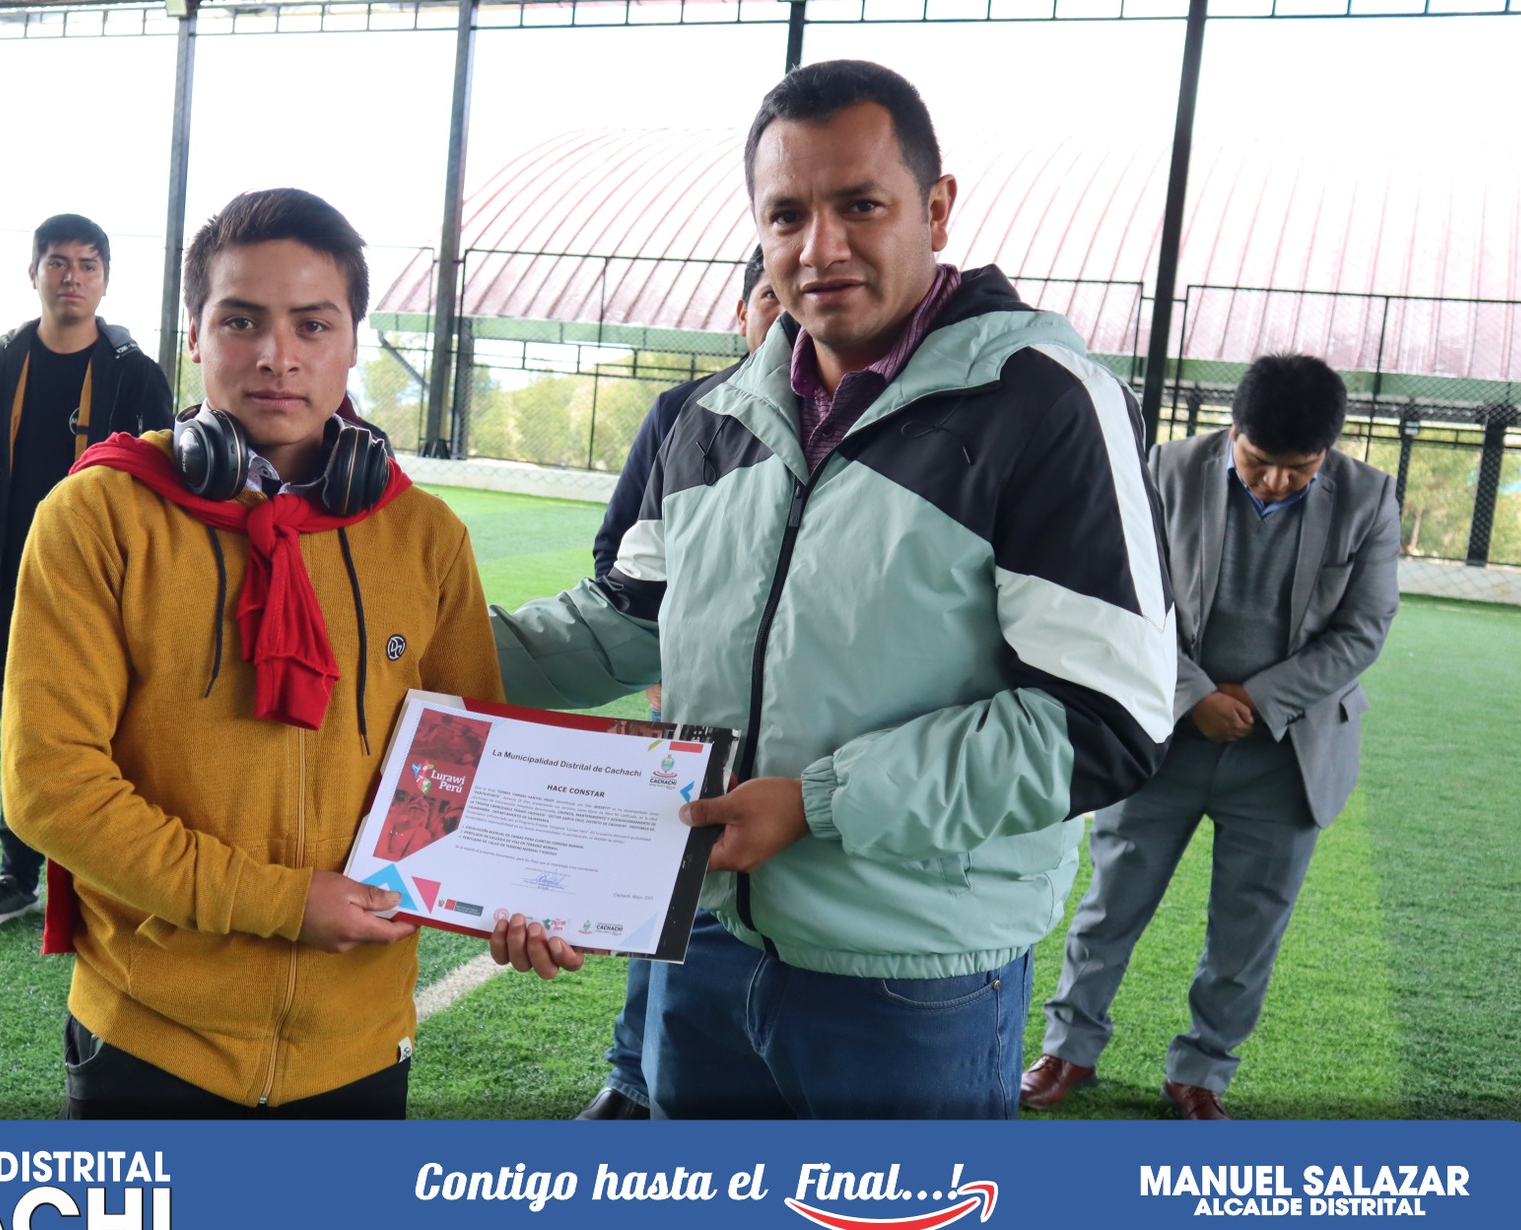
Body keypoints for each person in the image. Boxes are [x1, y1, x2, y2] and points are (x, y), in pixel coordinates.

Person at [485, 60, 1175, 1120]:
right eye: (787, 215)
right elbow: (622, 622)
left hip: (915, 973)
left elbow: (1107, 720)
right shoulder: (710, 419)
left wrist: (815, 806)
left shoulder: (1043, 404)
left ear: (935, 209)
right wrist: (393, 642)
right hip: (708, 937)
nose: (819, 248)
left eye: (859, 205)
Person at [0, 188, 504, 1118]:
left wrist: (515, 897)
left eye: (313, 323)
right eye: (241, 321)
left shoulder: (426, 537)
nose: (278, 354)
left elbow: (463, 764)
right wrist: (281, 901)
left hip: (360, 1047)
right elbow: (51, 787)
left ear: (352, 342)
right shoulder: (96, 516)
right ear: (194, 335)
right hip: (151, 1038)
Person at [1023, 354, 1399, 1121]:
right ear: (1234, 432)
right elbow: (1127, 593)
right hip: (1162, 739)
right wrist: (1194, 695)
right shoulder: (1165, 468)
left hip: (1286, 756)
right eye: (1259, 462)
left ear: (1328, 451)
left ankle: (1200, 1072)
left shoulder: (1370, 497)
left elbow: (1363, 629)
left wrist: (1257, 700)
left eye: (1300, 469)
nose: (1276, 482)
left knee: (1248, 929)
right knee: (1110, 903)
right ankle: (1069, 1049)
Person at [576, 246, 781, 1123]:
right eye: (768, 297)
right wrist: (666, 669)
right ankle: (632, 1071)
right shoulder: (683, 414)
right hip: (688, 717)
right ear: (741, 314)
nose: (787, 313)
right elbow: (622, 566)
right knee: (664, 892)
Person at [0, 213, 176, 931]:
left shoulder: (134, 372)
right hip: (7, 589)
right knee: (24, 734)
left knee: (117, 733)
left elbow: (165, 485)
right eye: (58, 262)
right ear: (34, 272)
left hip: (108, 592)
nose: (72, 276)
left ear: (105, 279)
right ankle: (17, 878)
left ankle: (113, 878)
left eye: (87, 264)